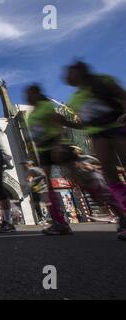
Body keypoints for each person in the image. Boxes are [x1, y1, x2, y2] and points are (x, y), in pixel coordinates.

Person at [26, 84, 126, 239]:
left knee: (84, 180)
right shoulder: (31, 116)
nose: (27, 96)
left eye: (30, 93)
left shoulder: (46, 106)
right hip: (43, 151)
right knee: (47, 186)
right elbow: (36, 137)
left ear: (37, 94)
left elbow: (59, 125)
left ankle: (121, 214)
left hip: (58, 146)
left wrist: (58, 145)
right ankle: (60, 223)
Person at [65, 61, 126, 217]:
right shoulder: (75, 100)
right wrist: (66, 122)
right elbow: (84, 123)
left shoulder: (103, 80)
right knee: (108, 170)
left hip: (117, 125)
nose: (68, 76)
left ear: (81, 70)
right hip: (98, 134)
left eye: (71, 71)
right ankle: (123, 213)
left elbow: (121, 95)